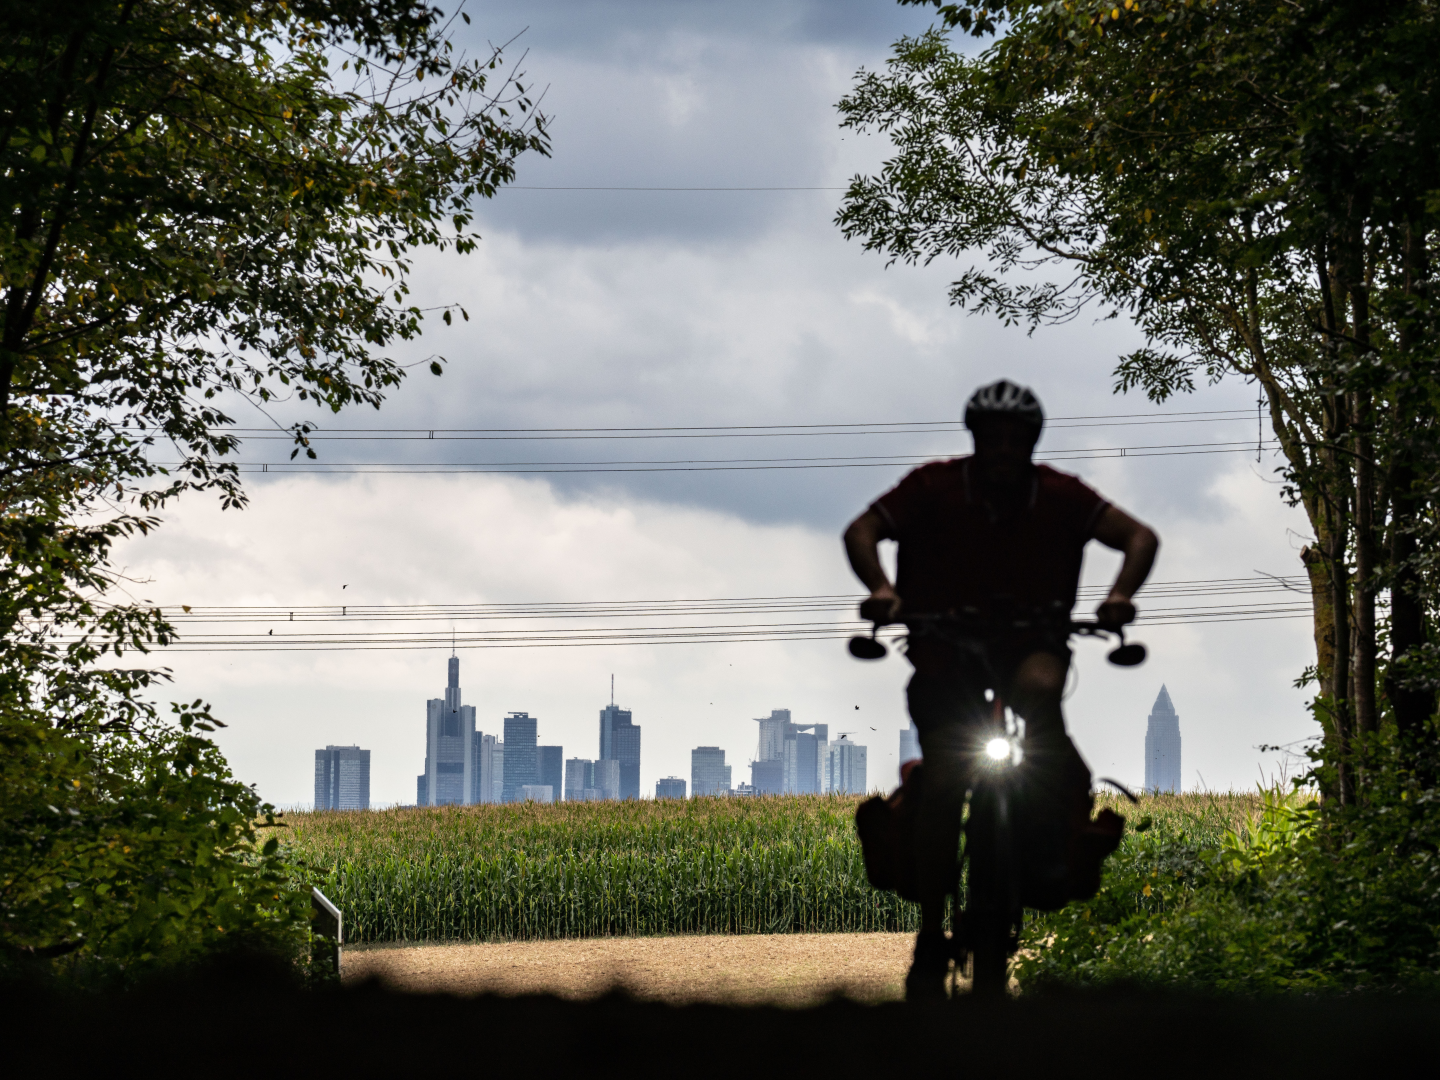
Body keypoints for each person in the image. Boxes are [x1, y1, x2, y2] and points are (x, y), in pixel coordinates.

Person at [843, 380, 1159, 1000]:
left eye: (1019, 438)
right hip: (946, 657)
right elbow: (862, 530)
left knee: (1045, 710)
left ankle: (1046, 842)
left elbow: (1139, 537)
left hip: (1031, 650)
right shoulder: (932, 487)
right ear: (976, 438)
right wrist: (883, 589)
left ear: (1033, 442)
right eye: (995, 437)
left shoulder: (1062, 495)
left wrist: (1120, 595)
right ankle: (929, 931)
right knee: (941, 780)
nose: (1006, 449)